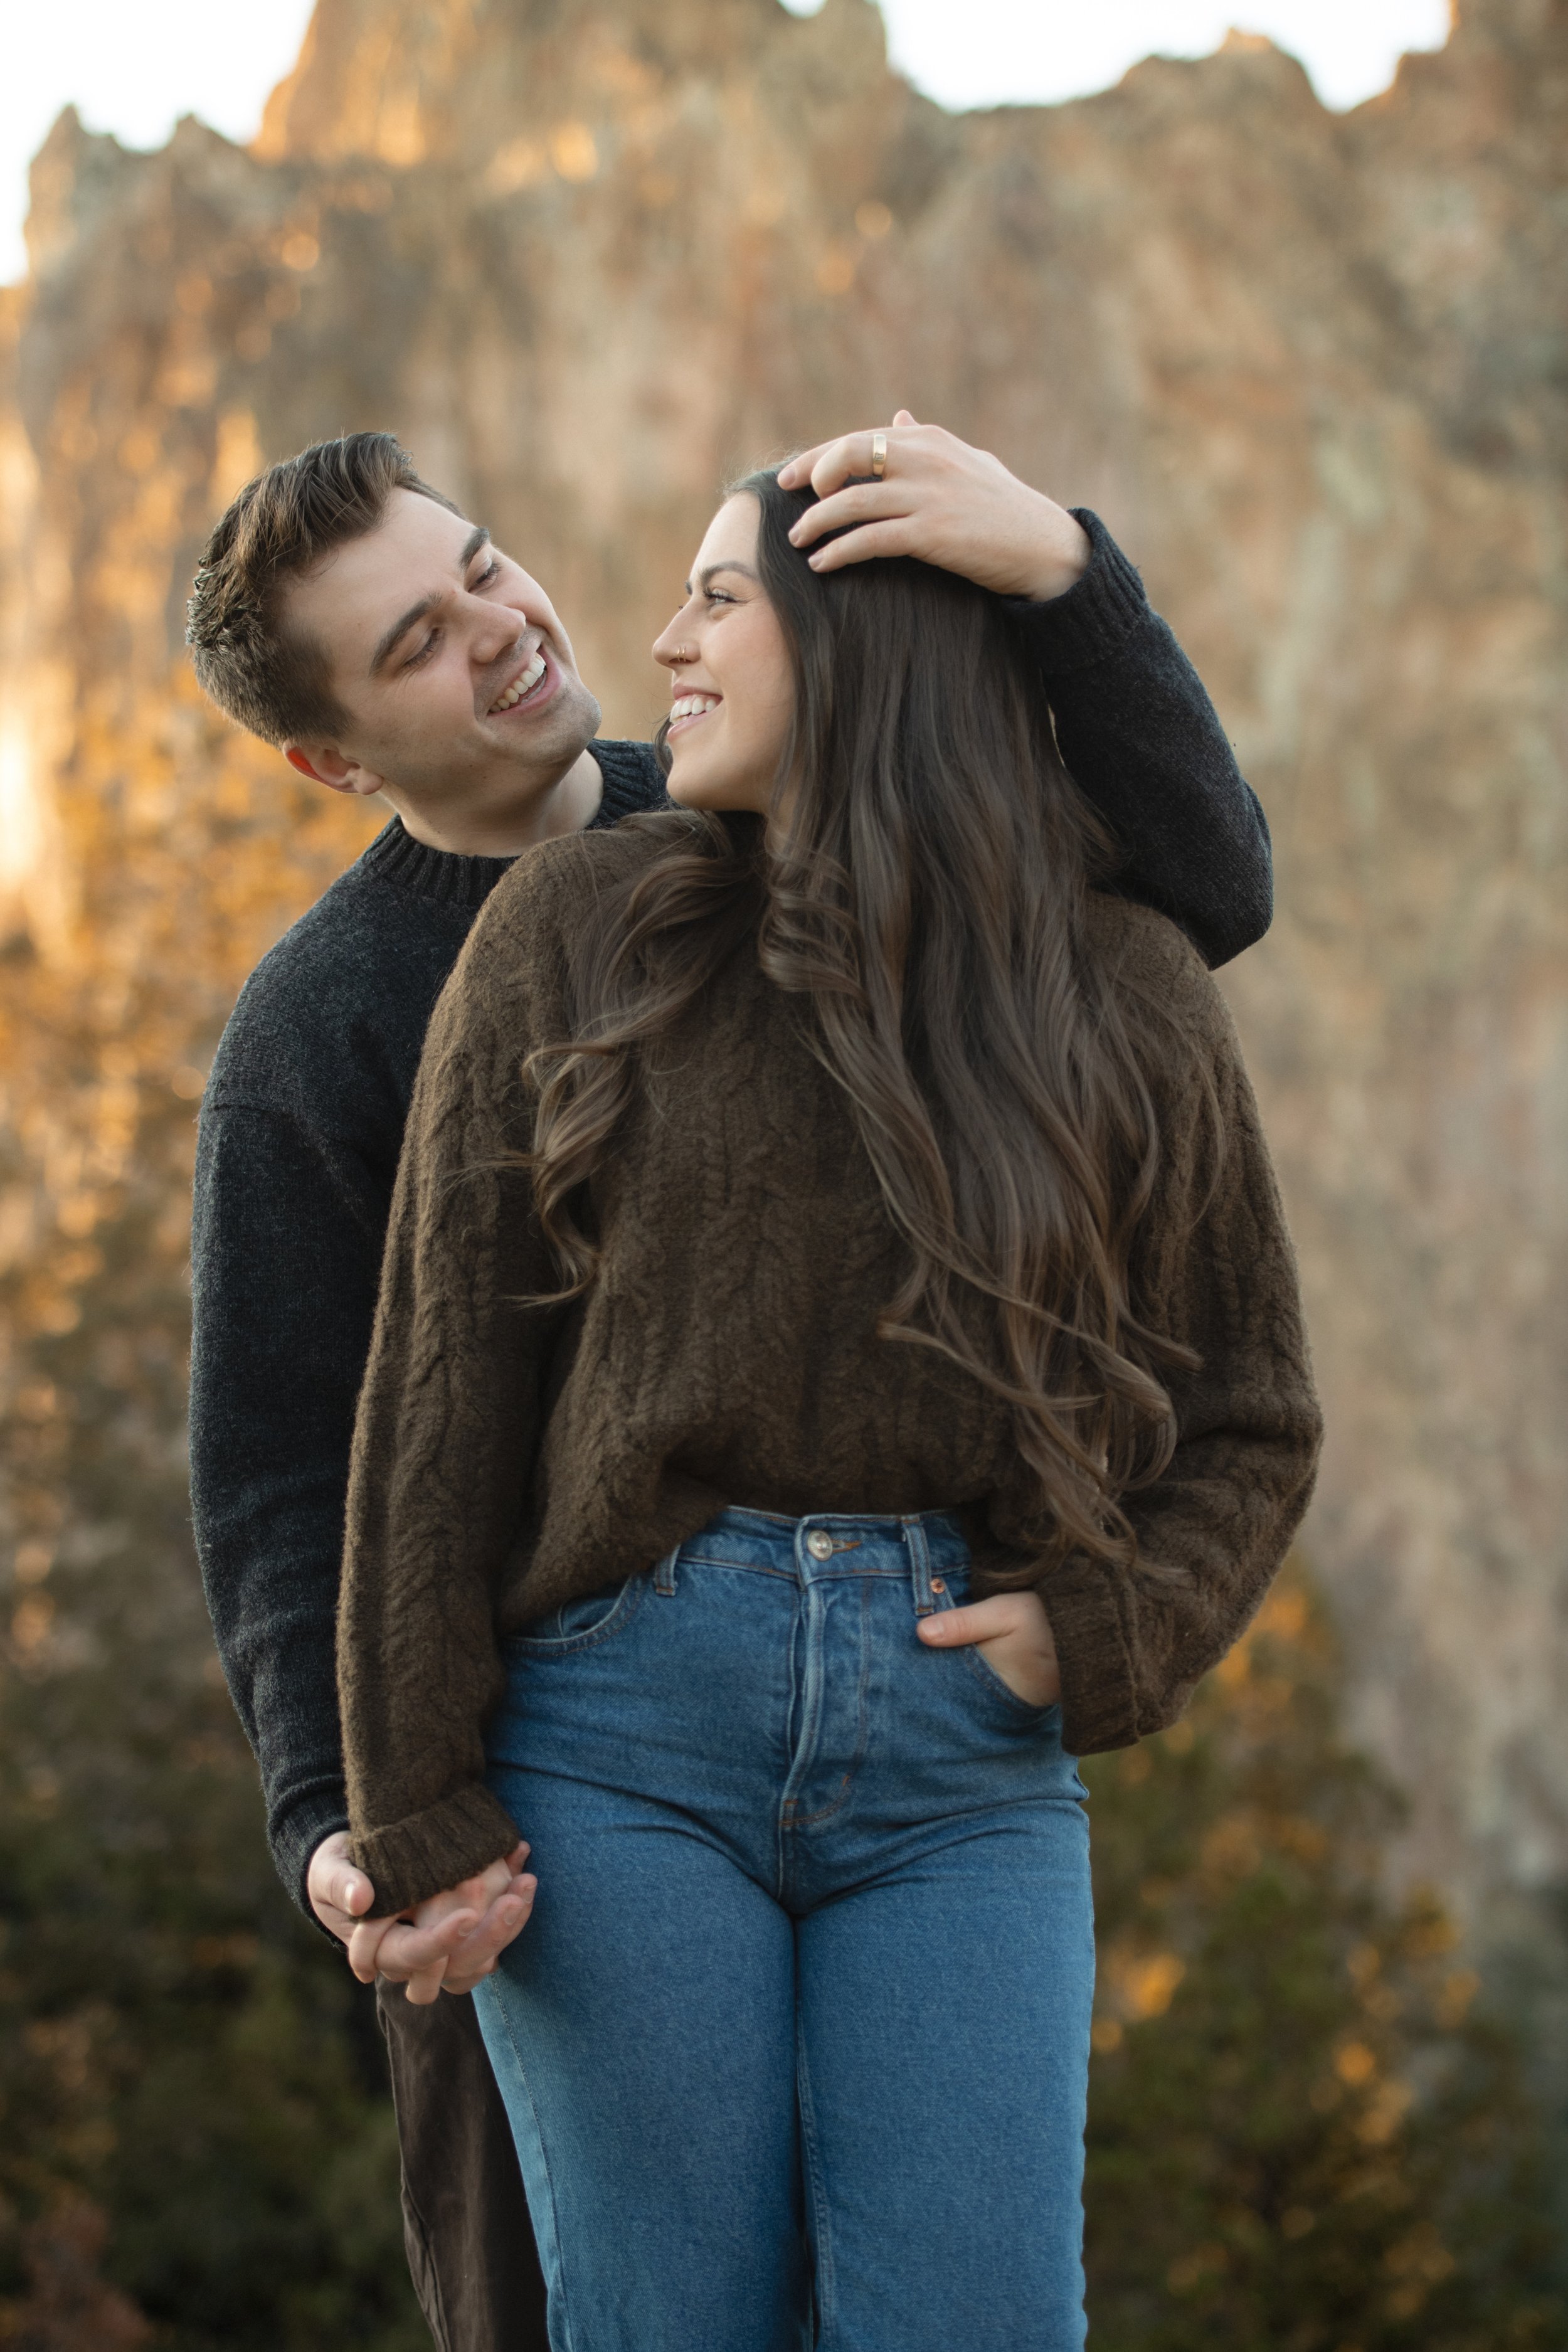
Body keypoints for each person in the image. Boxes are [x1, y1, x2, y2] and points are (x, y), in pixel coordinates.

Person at [187, 418, 1274, 2348]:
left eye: (485, 566)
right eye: (418, 645)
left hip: (931, 1731)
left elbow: (1182, 898)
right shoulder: (329, 1021)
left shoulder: (746, 832)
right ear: (331, 758)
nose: (506, 631)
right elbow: (311, 1462)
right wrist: (349, 1820)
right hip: (560, 1746)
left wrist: (1057, 576)